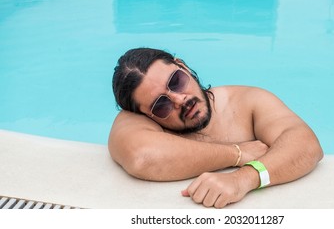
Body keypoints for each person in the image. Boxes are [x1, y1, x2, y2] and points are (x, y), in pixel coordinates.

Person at [109, 47, 323, 208]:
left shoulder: (248, 102)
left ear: (183, 66)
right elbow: (143, 157)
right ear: (144, 114)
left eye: (176, 81)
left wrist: (243, 179)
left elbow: (307, 146)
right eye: (161, 104)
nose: (180, 99)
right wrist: (237, 153)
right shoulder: (137, 119)